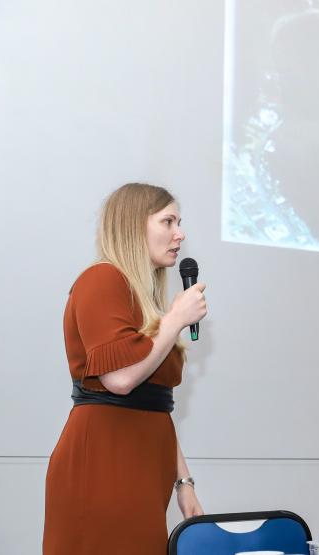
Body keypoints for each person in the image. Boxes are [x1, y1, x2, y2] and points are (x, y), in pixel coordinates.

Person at [43, 183, 208, 554]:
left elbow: (154, 401)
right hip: (104, 464)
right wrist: (175, 319)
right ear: (134, 225)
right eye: (168, 221)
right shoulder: (101, 279)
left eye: (179, 222)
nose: (179, 234)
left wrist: (184, 482)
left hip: (145, 468)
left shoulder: (143, 298)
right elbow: (120, 379)